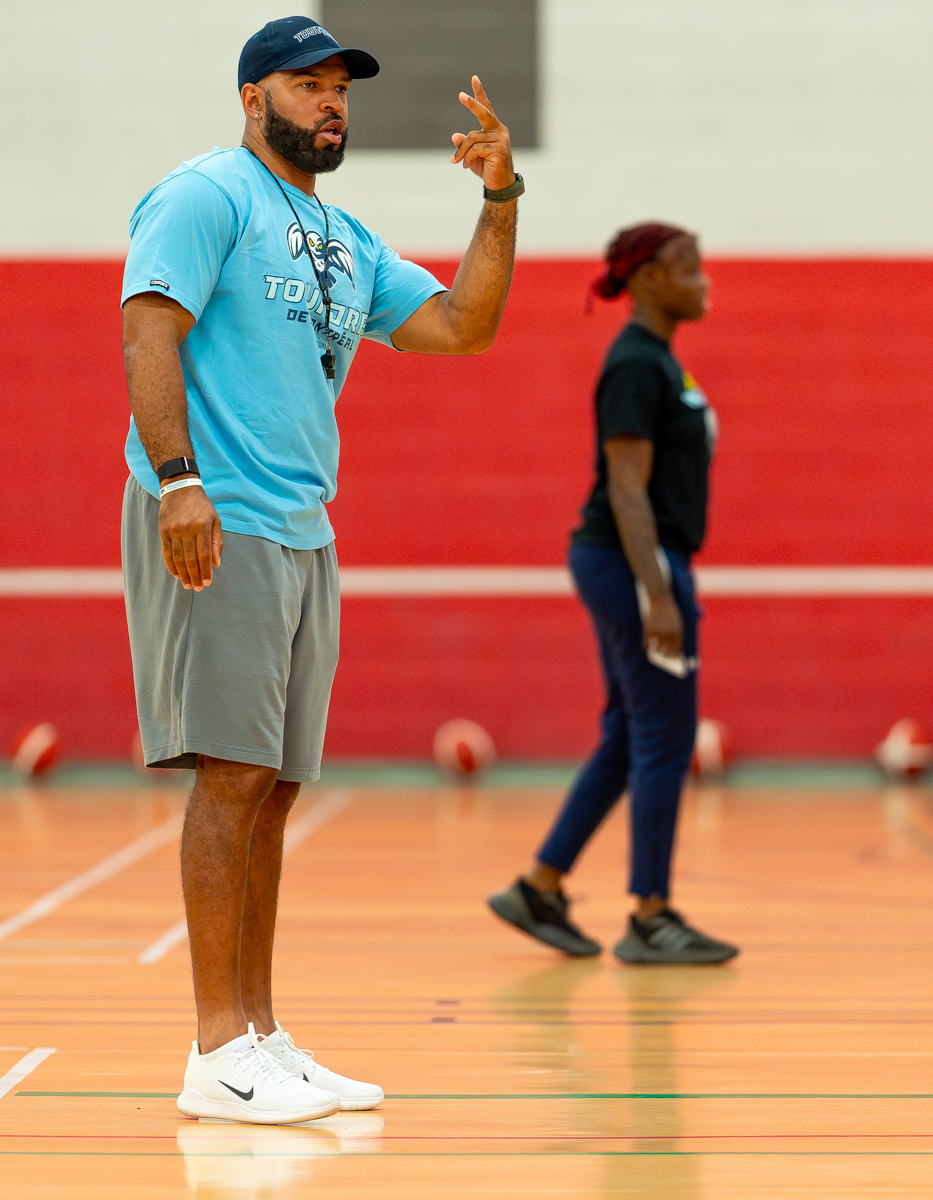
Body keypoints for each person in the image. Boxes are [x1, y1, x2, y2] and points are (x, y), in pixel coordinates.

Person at [121, 16, 521, 1124]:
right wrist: (179, 482)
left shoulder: (342, 238)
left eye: (342, 87)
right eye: (310, 84)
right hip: (221, 511)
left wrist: (499, 200)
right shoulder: (206, 199)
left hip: (305, 528)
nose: (332, 103)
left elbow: (461, 327)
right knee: (232, 776)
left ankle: (260, 1034)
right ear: (254, 97)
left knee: (277, 788)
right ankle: (214, 1049)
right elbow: (148, 334)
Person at [486, 224, 738, 965]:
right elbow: (626, 491)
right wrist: (657, 592)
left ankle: (539, 887)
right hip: (634, 561)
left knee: (632, 733)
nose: (705, 282)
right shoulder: (634, 364)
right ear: (652, 278)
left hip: (632, 561)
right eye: (691, 269)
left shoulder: (660, 364)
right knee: (665, 735)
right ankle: (651, 915)